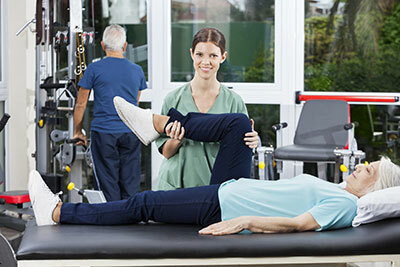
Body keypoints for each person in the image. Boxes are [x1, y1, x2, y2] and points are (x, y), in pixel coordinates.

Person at [29, 97, 400, 235]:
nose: (360, 166)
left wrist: (245, 221)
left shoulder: (347, 204)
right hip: (237, 185)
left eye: (367, 171)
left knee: (144, 204)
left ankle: (60, 214)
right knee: (239, 125)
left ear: (375, 188)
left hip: (224, 206)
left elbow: (299, 224)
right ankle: (157, 123)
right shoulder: (340, 192)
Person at [155, 27, 259, 190]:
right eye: (200, 54)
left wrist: (253, 142)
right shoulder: (173, 99)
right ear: (191, 54)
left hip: (214, 186)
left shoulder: (234, 102)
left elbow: (239, 153)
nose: (205, 62)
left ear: (223, 57)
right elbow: (166, 153)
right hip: (176, 186)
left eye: (213, 56)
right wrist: (177, 138)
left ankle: (150, 119)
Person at [73, 24, 147, 201]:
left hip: (104, 134)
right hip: (130, 132)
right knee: (130, 182)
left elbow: (80, 104)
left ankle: (111, 222)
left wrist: (77, 131)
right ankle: (130, 221)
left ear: (102, 45)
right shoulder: (137, 71)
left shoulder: (94, 69)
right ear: (124, 46)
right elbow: (134, 104)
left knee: (107, 184)